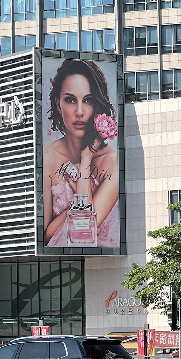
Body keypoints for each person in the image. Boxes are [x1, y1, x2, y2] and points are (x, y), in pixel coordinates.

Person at [43, 59, 119, 247]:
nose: (79, 111)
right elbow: (45, 237)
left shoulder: (113, 161)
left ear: (98, 105)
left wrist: (86, 160)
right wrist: (77, 203)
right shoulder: (47, 157)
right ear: (58, 104)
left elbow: (85, 231)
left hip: (102, 259)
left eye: (88, 100)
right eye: (70, 100)